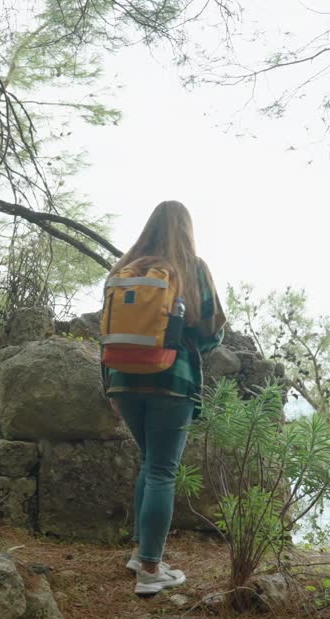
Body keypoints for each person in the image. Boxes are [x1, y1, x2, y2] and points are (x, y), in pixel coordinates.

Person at [101, 201, 226, 595]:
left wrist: (109, 385)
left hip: (122, 378)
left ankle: (141, 554)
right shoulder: (191, 268)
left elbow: (103, 330)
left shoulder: (123, 269)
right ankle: (151, 570)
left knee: (149, 463)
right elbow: (211, 329)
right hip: (172, 379)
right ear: (186, 230)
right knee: (161, 470)